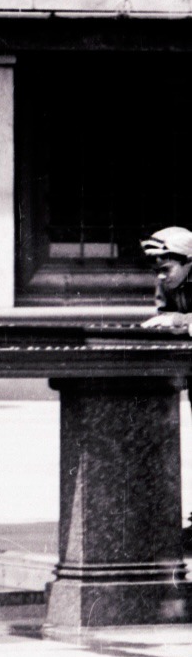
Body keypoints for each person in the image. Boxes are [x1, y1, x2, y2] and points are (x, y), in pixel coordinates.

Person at [139, 227, 192, 554]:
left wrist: (180, 320)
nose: (161, 276)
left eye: (166, 268)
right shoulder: (167, 284)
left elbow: (173, 318)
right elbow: (163, 316)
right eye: (157, 269)